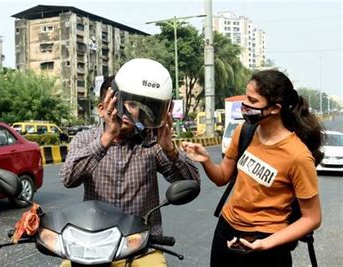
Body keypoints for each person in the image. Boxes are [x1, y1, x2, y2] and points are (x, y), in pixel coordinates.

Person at [59, 58, 201, 266]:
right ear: (104, 107)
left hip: (141, 245)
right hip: (92, 244)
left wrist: (170, 149)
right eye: (126, 102)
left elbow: (191, 182)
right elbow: (68, 179)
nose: (130, 110)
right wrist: (106, 139)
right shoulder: (85, 139)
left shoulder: (152, 143)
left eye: (136, 104)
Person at [182, 70, 323, 267]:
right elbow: (222, 177)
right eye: (245, 97)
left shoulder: (298, 156)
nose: (245, 106)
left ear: (275, 108)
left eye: (252, 101)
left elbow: (312, 218)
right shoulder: (245, 131)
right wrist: (206, 160)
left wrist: (265, 244)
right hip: (226, 231)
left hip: (267, 242)